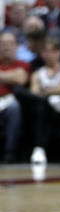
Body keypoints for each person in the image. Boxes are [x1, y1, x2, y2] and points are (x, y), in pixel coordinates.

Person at [28, 39, 60, 165]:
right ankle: (39, 149)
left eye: (53, 51)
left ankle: (39, 148)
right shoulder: (38, 73)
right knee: (42, 105)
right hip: (45, 110)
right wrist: (55, 90)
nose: (49, 54)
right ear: (42, 54)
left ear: (59, 52)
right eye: (46, 51)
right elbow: (34, 92)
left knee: (43, 104)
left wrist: (47, 91)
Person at [0, 32, 27, 162]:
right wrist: (10, 76)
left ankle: (10, 151)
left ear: (16, 46)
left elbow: (21, 79)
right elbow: (15, 76)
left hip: (8, 100)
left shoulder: (22, 64)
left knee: (14, 108)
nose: (6, 47)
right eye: (3, 44)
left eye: (10, 44)